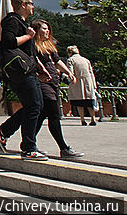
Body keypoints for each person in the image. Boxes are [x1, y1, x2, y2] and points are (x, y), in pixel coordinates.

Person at [0, 0, 50, 160]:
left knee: (37, 107)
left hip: (29, 71)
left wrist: (40, 68)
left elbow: (29, 52)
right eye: (31, 3)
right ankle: (28, 147)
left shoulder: (24, 23)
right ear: (23, 5)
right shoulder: (12, 20)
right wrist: (29, 36)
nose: (33, 6)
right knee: (35, 106)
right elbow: (8, 42)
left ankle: (5, 131)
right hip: (21, 73)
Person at [31, 20, 83, 159]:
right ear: (36, 30)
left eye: (48, 29)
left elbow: (57, 61)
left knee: (42, 115)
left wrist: (69, 73)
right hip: (43, 83)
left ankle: (29, 144)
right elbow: (34, 62)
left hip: (53, 82)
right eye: (44, 29)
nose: (47, 31)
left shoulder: (49, 46)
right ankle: (63, 148)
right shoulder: (33, 46)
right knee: (54, 114)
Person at [66, 45, 98, 126]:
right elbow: (91, 72)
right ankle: (93, 118)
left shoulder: (70, 60)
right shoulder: (86, 60)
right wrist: (94, 84)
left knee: (79, 102)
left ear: (70, 52)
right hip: (88, 81)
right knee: (89, 102)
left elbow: (70, 72)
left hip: (77, 82)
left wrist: (69, 80)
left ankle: (82, 119)